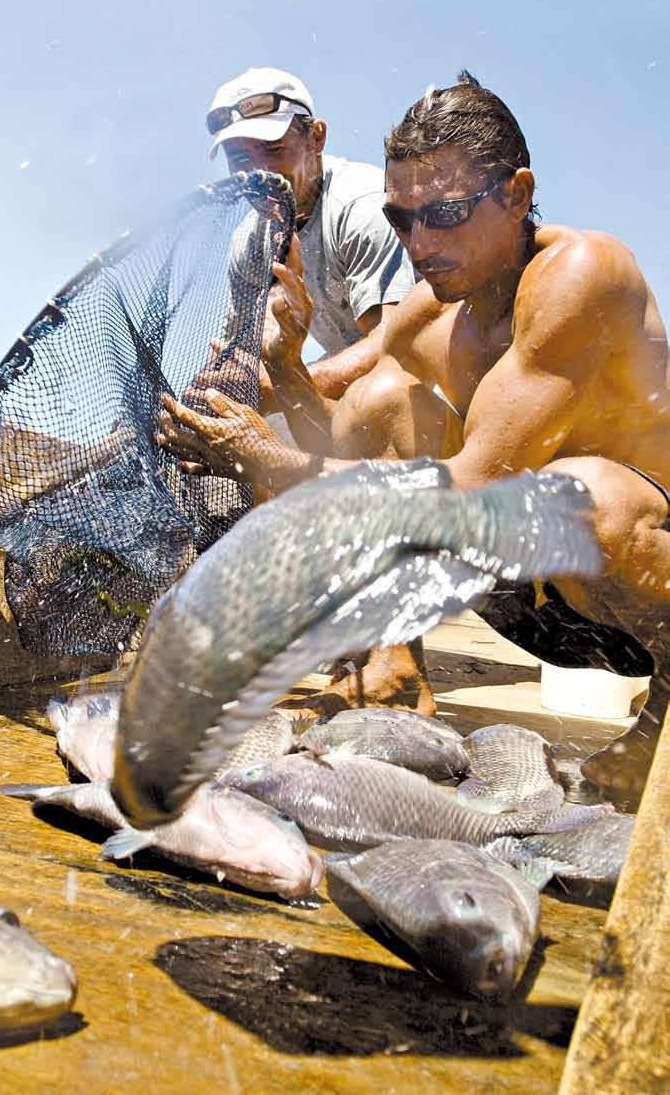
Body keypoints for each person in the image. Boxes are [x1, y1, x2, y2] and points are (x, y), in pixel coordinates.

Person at [159, 71, 670, 798]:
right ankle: (393, 672)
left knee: (581, 494)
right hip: (538, 608)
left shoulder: (582, 273)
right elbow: (345, 450)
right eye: (401, 221)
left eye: (446, 214)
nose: (420, 244)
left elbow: (474, 487)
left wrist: (261, 455)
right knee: (380, 402)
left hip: (637, 580)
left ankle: (660, 718)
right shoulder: (428, 314)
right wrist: (286, 366)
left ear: (516, 195)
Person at [206, 66, 415, 406]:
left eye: (274, 149)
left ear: (316, 138)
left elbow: (395, 343)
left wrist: (282, 388)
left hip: (422, 376)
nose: (258, 172)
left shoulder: (359, 205)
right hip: (341, 377)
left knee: (381, 400)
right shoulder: (250, 242)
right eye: (241, 157)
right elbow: (237, 357)